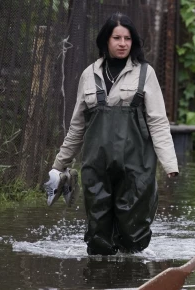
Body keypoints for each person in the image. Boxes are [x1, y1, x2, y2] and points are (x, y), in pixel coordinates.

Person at [48, 12, 179, 256]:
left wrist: (169, 163)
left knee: (133, 231)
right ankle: (100, 281)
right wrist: (59, 165)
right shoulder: (89, 74)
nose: (122, 43)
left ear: (133, 42)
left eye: (127, 38)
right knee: (98, 233)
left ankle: (130, 283)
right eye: (116, 37)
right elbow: (77, 125)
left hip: (136, 164)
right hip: (96, 164)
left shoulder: (145, 74)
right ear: (105, 41)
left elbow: (158, 121)